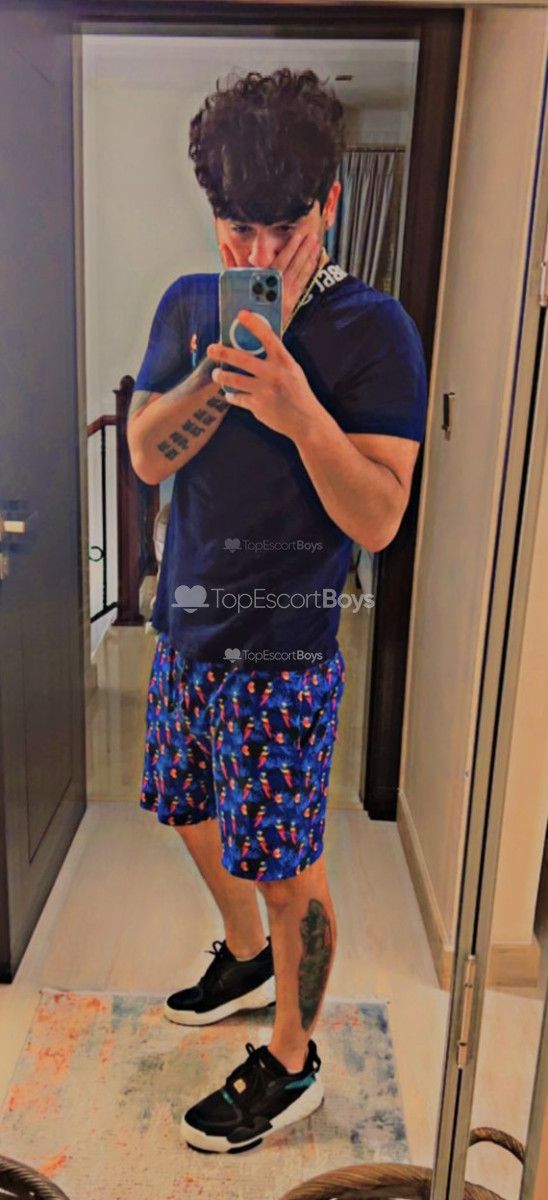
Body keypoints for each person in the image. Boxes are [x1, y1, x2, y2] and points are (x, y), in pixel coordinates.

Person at [128, 67, 427, 1154]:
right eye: (236, 227)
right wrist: (225, 372)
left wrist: (298, 407)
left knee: (289, 869)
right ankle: (246, 955)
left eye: (281, 227)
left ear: (328, 205)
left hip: (286, 655)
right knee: (185, 809)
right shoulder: (188, 307)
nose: (255, 250)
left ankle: (294, 1060)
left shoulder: (375, 330)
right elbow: (147, 454)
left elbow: (380, 516)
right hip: (187, 631)